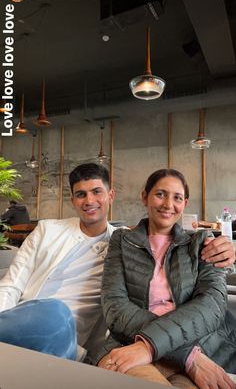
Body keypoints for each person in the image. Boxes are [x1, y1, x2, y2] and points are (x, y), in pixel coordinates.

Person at [0, 164, 234, 363]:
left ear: (110, 196)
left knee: (56, 313)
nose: (89, 200)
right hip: (23, 323)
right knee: (49, 311)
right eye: (81, 194)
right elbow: (11, 285)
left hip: (68, 340)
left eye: (96, 192)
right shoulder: (48, 230)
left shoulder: (122, 241)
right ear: (72, 199)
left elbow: (199, 279)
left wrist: (227, 251)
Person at [97, 168, 236, 388]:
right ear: (145, 196)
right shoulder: (122, 241)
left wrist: (154, 345)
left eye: (177, 197)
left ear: (185, 204)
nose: (168, 204)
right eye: (160, 194)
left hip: (194, 347)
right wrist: (187, 355)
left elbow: (212, 304)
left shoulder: (202, 242)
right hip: (132, 345)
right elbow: (115, 307)